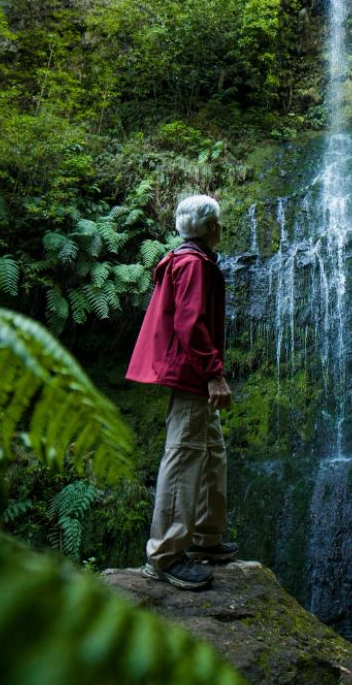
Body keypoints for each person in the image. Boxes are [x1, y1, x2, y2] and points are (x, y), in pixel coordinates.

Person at [126, 195, 239, 590]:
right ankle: (165, 555)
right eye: (219, 223)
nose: (222, 229)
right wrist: (213, 374)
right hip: (193, 374)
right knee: (185, 455)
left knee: (211, 450)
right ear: (210, 227)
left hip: (195, 373)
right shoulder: (192, 263)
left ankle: (206, 537)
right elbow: (190, 325)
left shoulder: (192, 259)